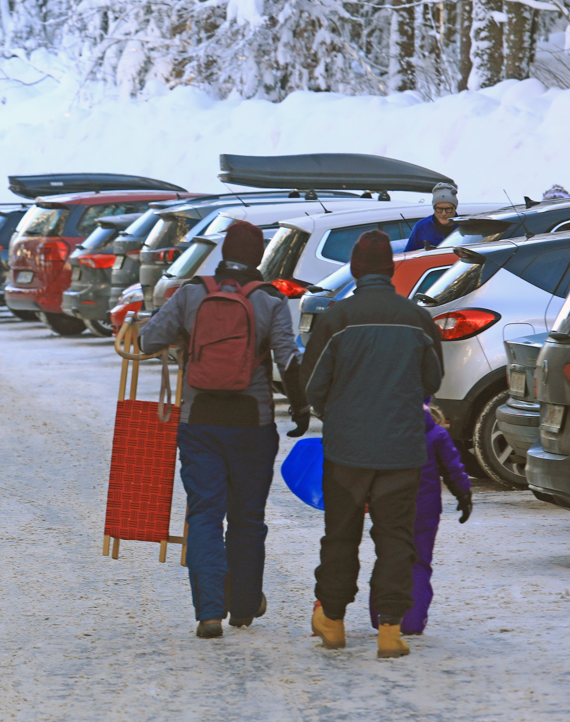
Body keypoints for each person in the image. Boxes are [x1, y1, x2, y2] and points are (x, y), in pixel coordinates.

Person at [139, 222, 312, 639]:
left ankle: (209, 612)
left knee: (204, 513)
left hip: (198, 421)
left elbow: (147, 341)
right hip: (253, 424)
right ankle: (245, 606)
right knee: (247, 517)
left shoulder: (193, 292)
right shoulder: (268, 300)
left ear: (222, 253)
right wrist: (302, 408)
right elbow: (288, 359)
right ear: (258, 258)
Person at [302, 229, 445, 659]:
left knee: (340, 537)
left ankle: (332, 621)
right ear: (391, 270)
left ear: (357, 270)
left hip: (346, 450)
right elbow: (433, 381)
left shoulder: (336, 318)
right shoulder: (417, 319)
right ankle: (389, 630)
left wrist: (337, 414)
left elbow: (312, 385)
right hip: (401, 450)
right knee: (397, 539)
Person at [368, 401, 472, 636]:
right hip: (424, 511)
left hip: (387, 507)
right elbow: (452, 468)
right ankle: (412, 622)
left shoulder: (381, 429)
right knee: (418, 562)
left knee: (387, 557)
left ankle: (381, 618)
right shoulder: (436, 433)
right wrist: (463, 494)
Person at [403, 183, 459, 252]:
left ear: (455, 208)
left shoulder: (466, 226)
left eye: (448, 209)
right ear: (434, 208)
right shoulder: (421, 227)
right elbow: (408, 255)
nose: (443, 213)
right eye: (439, 209)